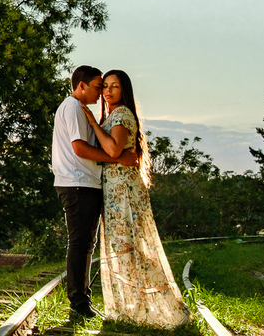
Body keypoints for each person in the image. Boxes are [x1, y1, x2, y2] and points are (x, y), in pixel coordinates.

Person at [82, 69, 191, 327]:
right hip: (114, 191)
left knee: (130, 249)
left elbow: (112, 149)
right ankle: (132, 311)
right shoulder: (112, 115)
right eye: (105, 86)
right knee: (123, 251)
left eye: (114, 86)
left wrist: (93, 124)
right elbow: (117, 154)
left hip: (124, 193)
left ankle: (155, 308)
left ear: (124, 91)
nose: (107, 91)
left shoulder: (121, 114)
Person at [52, 65, 138, 320]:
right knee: (81, 243)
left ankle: (81, 301)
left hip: (83, 182)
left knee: (85, 243)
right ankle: (79, 303)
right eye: (98, 86)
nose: (101, 92)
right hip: (78, 183)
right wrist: (119, 159)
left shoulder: (80, 109)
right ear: (81, 86)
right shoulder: (74, 108)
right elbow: (80, 149)